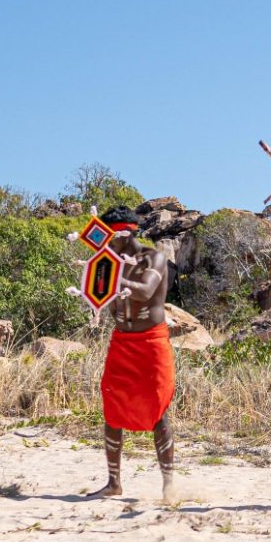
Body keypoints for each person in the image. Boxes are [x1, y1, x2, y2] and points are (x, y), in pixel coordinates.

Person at [88, 206, 177, 501]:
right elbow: (100, 292)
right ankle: (113, 482)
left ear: (124, 234)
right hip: (121, 342)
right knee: (113, 407)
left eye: (110, 237)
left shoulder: (154, 258)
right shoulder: (108, 261)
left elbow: (144, 291)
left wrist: (112, 278)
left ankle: (169, 485)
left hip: (151, 343)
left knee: (158, 410)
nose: (106, 243)